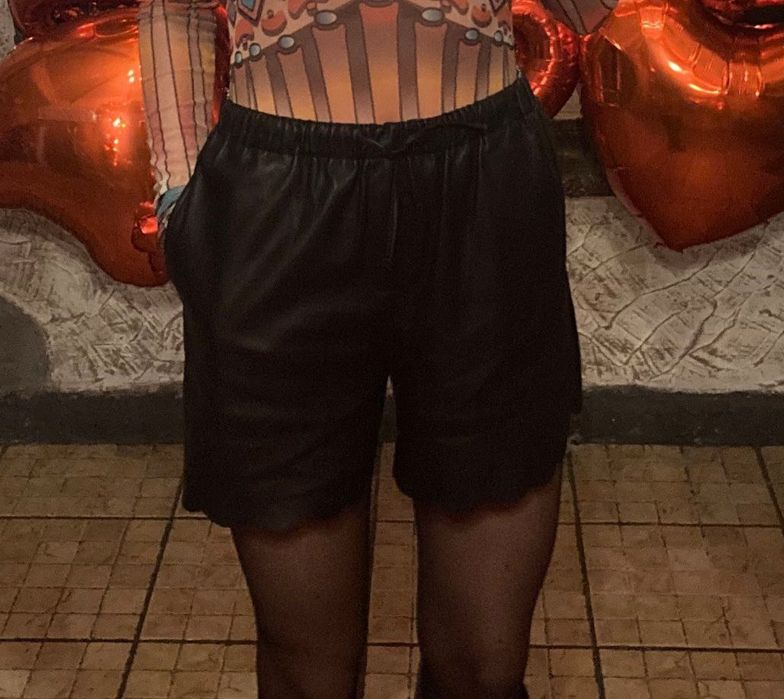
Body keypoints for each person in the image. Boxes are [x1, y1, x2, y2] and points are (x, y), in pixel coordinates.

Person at [136, 0, 583, 694]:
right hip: (274, 198)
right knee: (304, 667)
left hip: (485, 194)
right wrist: (177, 201)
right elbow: (175, 9)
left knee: (484, 665)